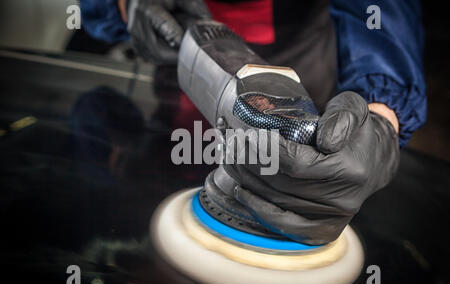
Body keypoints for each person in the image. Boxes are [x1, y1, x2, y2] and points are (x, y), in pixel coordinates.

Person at [78, 0, 427, 244]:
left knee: (309, 185)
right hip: (179, 77)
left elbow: (380, 9)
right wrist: (126, 2)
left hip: (304, 82)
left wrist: (382, 116)